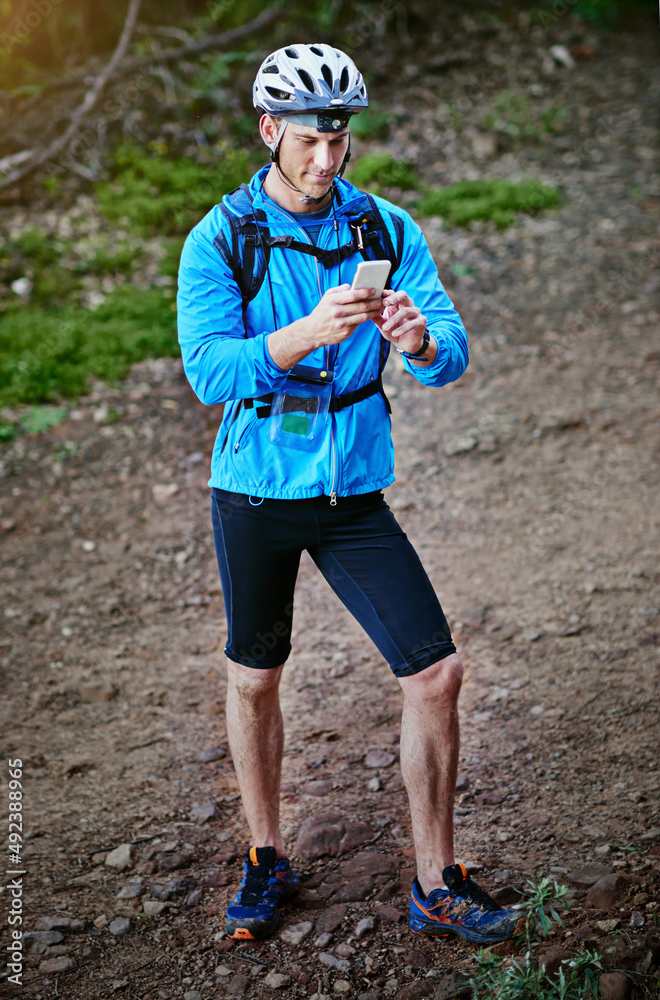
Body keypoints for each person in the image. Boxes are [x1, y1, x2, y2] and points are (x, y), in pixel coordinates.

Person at [177, 42, 521, 946]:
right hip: (254, 488)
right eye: (307, 142)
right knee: (254, 679)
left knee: (437, 673)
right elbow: (210, 372)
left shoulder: (385, 229)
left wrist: (414, 338)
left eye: (338, 141)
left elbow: (449, 353)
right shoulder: (220, 238)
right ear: (268, 131)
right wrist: (297, 337)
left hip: (353, 493)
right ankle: (262, 853)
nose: (326, 161)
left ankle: (434, 881)